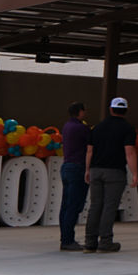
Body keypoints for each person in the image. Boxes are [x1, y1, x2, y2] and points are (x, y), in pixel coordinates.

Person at [84, 97, 138, 253]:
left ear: (111, 109)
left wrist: (87, 170)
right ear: (126, 110)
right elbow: (129, 152)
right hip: (115, 172)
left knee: (95, 206)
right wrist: (135, 173)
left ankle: (90, 242)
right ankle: (105, 242)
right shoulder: (128, 128)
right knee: (109, 207)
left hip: (96, 170)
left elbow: (89, 151)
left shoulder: (97, 128)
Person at [58, 101, 90, 252]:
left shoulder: (66, 126)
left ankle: (65, 237)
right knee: (74, 205)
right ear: (80, 112)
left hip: (66, 166)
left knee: (65, 205)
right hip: (78, 168)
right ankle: (68, 240)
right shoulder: (81, 128)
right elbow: (91, 145)